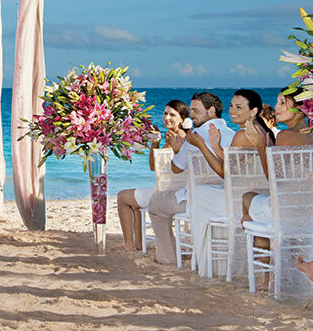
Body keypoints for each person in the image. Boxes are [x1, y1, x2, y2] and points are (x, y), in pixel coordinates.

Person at [183, 89, 272, 276]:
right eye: (232, 105)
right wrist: (215, 146)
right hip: (257, 195)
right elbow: (237, 166)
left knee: (200, 193)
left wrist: (201, 145)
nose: (233, 110)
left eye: (239, 107)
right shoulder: (263, 131)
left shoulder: (243, 134)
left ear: (254, 111)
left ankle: (211, 266)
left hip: (242, 200)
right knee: (205, 192)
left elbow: (225, 173)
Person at [147, 92, 234, 265]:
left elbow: (176, 168)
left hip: (196, 200)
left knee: (155, 203)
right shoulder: (233, 134)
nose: (191, 114)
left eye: (195, 110)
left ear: (211, 111)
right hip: (229, 200)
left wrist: (178, 150)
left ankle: (167, 257)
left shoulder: (195, 136)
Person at [240, 87, 313, 289]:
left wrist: (261, 147)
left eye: (283, 102)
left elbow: (274, 181)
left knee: (247, 198)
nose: (276, 107)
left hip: (287, 212)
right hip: (309, 213)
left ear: (301, 108)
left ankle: (265, 278)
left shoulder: (286, 136)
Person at [116, 100, 188, 251]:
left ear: (182, 119)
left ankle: (129, 245)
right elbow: (154, 166)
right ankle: (138, 244)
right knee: (134, 203)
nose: (167, 117)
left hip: (166, 193)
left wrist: (157, 143)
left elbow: (153, 167)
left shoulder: (175, 138)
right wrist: (156, 142)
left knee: (123, 197)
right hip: (179, 190)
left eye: (172, 115)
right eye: (165, 113)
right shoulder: (181, 136)